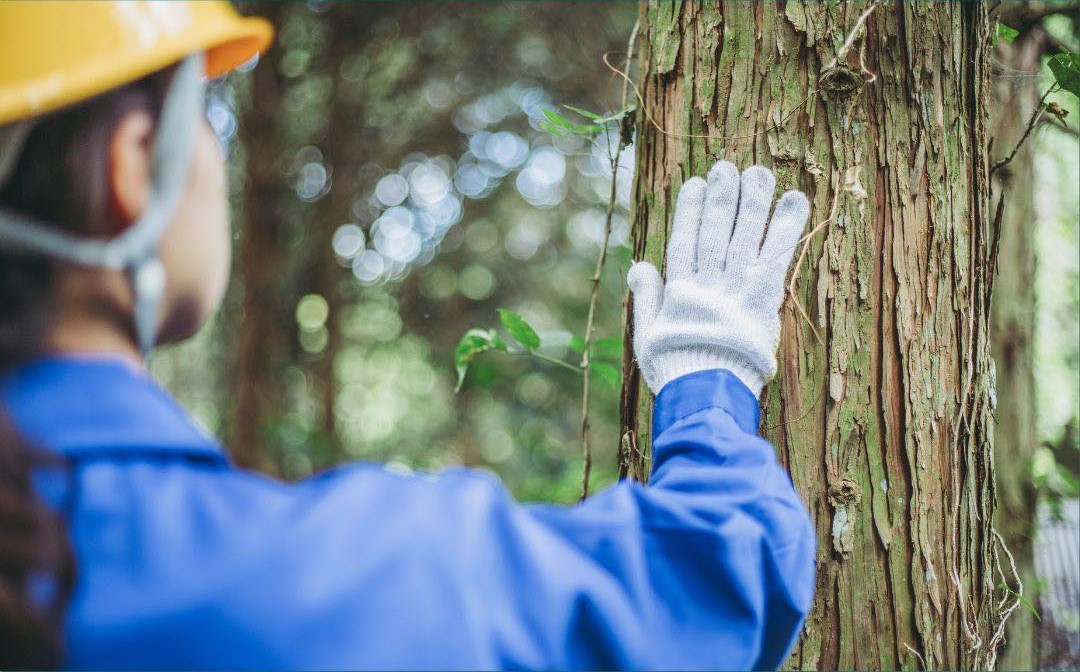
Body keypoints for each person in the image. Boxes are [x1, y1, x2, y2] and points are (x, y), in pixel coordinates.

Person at [0, 1, 816, 669]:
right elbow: (718, 570)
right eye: (205, 112)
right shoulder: (308, 585)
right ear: (135, 164)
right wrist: (709, 374)